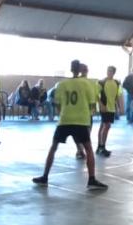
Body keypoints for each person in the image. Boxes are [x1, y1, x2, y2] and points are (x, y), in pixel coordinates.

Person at [32, 59, 107, 190]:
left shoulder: (62, 84)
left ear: (71, 69)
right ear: (80, 70)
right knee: (88, 149)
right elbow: (91, 103)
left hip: (65, 120)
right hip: (81, 120)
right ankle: (91, 179)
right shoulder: (87, 84)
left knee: (53, 147)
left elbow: (58, 104)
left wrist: (64, 114)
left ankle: (44, 177)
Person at [96, 66, 121, 157]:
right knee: (107, 126)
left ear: (114, 73)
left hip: (111, 108)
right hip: (104, 107)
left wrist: (119, 106)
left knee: (103, 126)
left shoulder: (117, 83)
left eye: (110, 71)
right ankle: (102, 147)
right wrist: (101, 105)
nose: (108, 72)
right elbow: (96, 94)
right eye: (108, 71)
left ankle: (100, 147)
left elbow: (117, 95)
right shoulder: (101, 82)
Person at [75, 63, 98, 159]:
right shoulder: (77, 82)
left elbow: (94, 96)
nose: (85, 71)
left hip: (85, 111)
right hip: (80, 110)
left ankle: (80, 149)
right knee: (80, 131)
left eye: (85, 69)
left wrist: (93, 108)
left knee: (84, 132)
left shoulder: (90, 83)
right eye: (83, 69)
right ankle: (80, 150)